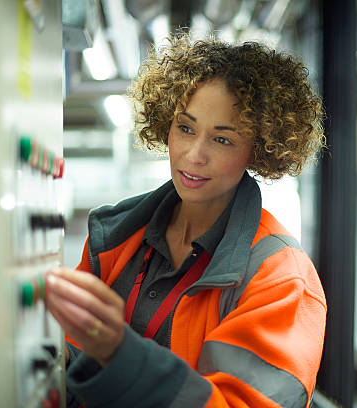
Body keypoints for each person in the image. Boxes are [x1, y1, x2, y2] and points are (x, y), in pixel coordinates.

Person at [45, 33, 327, 408]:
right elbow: (77, 350)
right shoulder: (114, 238)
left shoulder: (282, 278)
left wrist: (121, 355)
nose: (194, 155)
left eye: (222, 140)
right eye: (186, 127)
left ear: (258, 149)